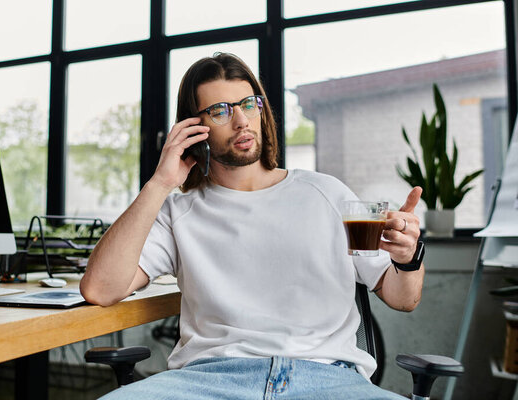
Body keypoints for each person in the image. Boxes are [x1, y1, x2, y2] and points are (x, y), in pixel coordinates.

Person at [80, 52, 425, 400]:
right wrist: (158, 183)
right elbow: (101, 289)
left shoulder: (327, 193)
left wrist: (408, 257)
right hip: (208, 380)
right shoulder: (179, 211)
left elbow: (403, 298)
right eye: (220, 111)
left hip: (326, 378)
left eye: (248, 103)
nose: (242, 120)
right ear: (193, 129)